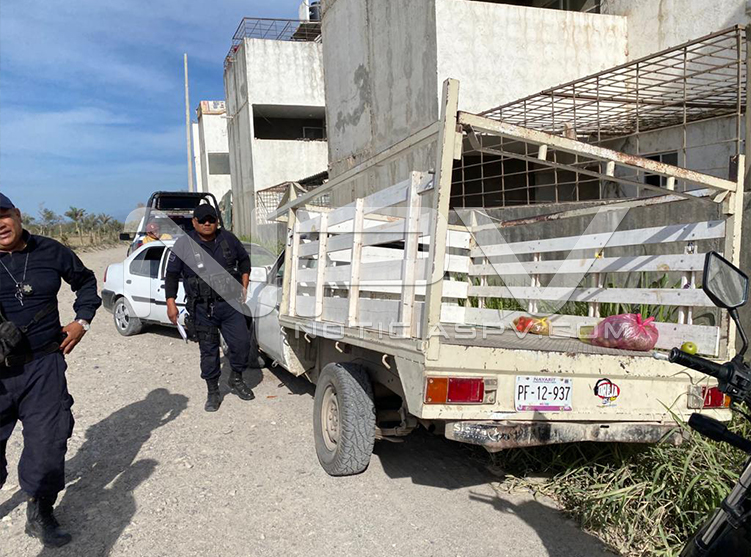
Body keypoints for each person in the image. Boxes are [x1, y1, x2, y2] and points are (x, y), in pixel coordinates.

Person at [0, 193, 101, 548]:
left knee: (48, 443)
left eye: (3, 214)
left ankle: (40, 511)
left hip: (44, 366)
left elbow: (86, 281)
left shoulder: (50, 251)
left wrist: (82, 321)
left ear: (17, 214)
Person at [164, 205, 262, 412]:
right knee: (209, 352)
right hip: (202, 308)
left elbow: (244, 261)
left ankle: (236, 378)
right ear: (194, 222)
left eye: (211, 219)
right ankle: (213, 392)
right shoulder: (184, 244)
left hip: (231, 305)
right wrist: (170, 303)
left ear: (217, 221)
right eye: (202, 220)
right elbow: (171, 275)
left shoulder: (228, 239)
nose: (207, 223)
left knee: (242, 344)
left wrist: (244, 285)